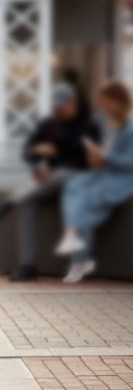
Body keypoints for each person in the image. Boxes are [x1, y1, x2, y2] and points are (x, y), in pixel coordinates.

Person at [0, 81, 101, 281]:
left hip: (80, 178)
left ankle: (10, 201)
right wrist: (37, 157)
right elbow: (27, 151)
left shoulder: (89, 125)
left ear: (73, 102)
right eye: (55, 106)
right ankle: (27, 265)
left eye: (62, 106)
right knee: (28, 202)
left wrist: (55, 154)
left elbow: (88, 158)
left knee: (62, 175)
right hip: (49, 181)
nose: (58, 110)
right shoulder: (49, 124)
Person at [55, 80, 133, 283]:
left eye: (108, 103)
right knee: (73, 185)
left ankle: (78, 259)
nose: (105, 108)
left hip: (122, 180)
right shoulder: (111, 126)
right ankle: (73, 239)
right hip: (105, 172)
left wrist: (105, 157)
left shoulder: (130, 128)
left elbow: (129, 163)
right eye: (103, 103)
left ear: (120, 101)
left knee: (85, 212)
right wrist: (97, 157)